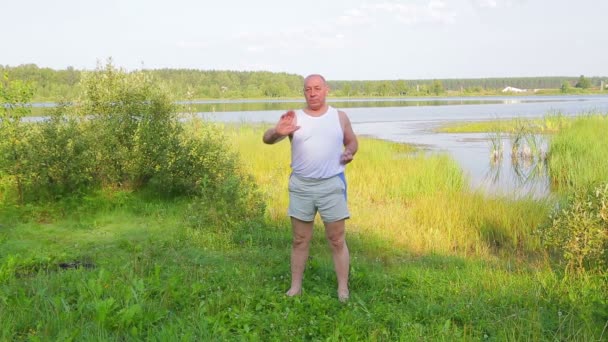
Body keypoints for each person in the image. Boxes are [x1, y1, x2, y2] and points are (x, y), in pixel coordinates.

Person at [262, 74, 358, 302]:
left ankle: (342, 289)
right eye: (308, 89)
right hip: (301, 186)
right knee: (299, 239)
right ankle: (295, 287)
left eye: (317, 88)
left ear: (326, 90)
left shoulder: (339, 116)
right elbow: (267, 138)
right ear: (304, 92)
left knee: (336, 239)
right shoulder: (294, 117)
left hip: (331, 184)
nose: (312, 93)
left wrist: (349, 152)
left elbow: (352, 141)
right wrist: (277, 132)